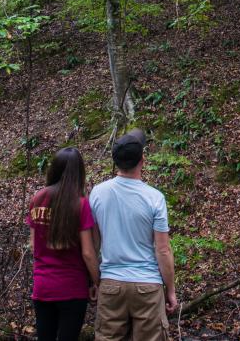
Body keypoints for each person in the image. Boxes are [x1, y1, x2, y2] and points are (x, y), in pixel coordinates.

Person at [89, 128, 177, 341]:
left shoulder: (98, 193)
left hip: (110, 284)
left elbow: (93, 244)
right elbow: (162, 250)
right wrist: (171, 290)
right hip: (147, 285)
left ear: (116, 161)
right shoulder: (154, 198)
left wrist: (94, 281)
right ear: (142, 160)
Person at [27, 147, 100, 341]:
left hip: (42, 285)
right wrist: (96, 282)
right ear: (79, 173)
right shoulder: (81, 204)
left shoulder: (37, 198)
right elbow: (87, 252)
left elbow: (33, 245)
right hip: (72, 288)